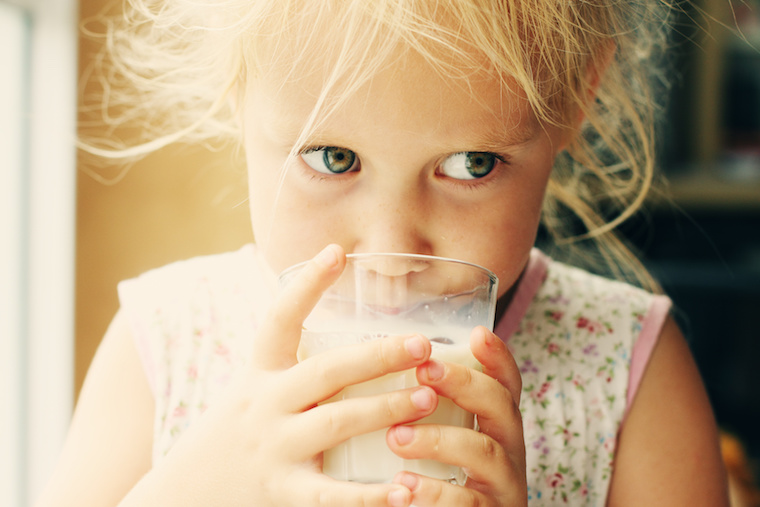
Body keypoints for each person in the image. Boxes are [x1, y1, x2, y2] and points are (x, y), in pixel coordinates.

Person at [37, 1, 729, 505]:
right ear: (238, 97)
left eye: (471, 164)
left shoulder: (624, 366)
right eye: (333, 157)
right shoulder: (166, 344)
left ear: (575, 96)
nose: (394, 254)